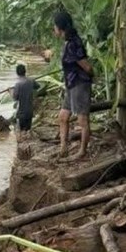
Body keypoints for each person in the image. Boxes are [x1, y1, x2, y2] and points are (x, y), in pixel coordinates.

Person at [53, 11, 93, 159]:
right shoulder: (68, 42)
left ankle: (82, 151)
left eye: (54, 26)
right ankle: (63, 148)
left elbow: (86, 66)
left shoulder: (73, 43)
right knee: (63, 116)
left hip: (79, 83)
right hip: (71, 84)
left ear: (60, 27)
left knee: (82, 120)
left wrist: (91, 75)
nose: (54, 29)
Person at [10, 63, 40, 136]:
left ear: (17, 73)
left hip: (21, 112)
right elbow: (37, 86)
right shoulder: (31, 81)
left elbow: (15, 98)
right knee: (27, 130)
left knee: (21, 132)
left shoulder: (18, 84)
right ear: (25, 71)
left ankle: (21, 145)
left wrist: (10, 91)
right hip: (30, 111)